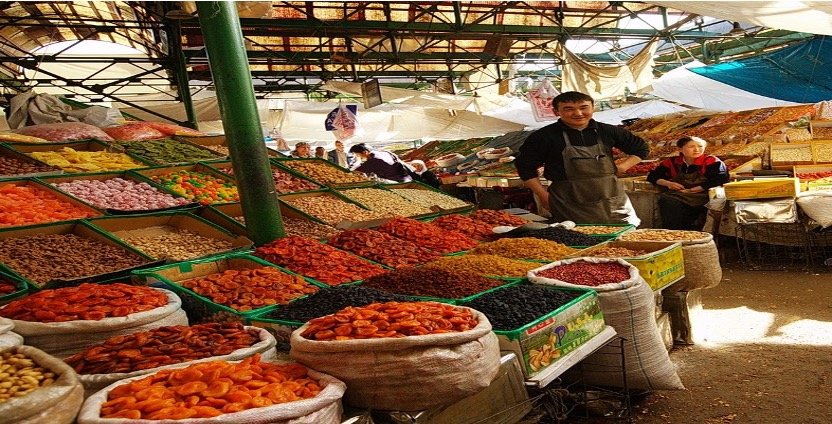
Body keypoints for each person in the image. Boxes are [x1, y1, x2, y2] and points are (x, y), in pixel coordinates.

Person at [514, 91, 649, 225]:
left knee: (622, 236)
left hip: (611, 198)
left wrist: (622, 167)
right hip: (568, 201)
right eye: (569, 109)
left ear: (593, 108)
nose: (578, 113)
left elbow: (641, 148)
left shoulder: (608, 131)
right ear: (556, 112)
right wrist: (543, 195)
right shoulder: (543, 136)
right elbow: (525, 167)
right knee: (577, 238)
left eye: (584, 108)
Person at [647, 136, 729, 230]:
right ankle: (673, 234)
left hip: (706, 194)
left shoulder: (711, 161)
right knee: (667, 201)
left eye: (700, 146)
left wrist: (695, 189)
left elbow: (720, 180)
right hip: (682, 194)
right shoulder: (672, 162)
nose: (697, 149)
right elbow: (652, 176)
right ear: (680, 149)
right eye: (691, 147)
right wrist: (668, 184)